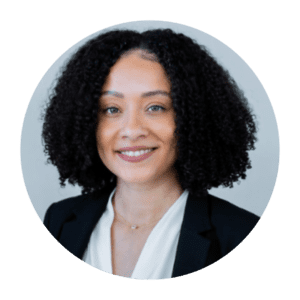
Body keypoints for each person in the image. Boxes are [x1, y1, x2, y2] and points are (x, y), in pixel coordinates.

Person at [42, 29, 260, 280]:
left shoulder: (242, 235)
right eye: (111, 109)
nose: (132, 130)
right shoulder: (59, 221)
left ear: (194, 117)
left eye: (156, 107)